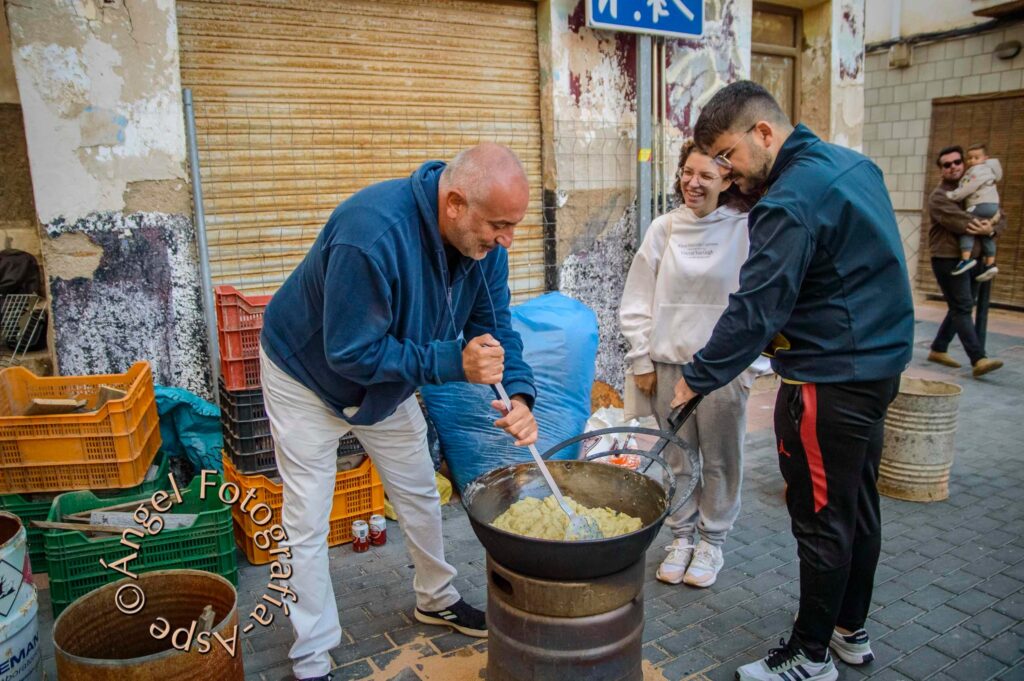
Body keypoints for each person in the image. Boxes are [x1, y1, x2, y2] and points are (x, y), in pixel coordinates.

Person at [259, 143, 539, 681]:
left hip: (386, 385)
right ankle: (311, 655)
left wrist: (521, 395)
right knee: (306, 517)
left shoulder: (484, 248)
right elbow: (349, 351)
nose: (507, 239)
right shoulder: (370, 235)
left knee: (417, 489)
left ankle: (436, 598)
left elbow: (496, 329)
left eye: (513, 225)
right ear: (454, 204)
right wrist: (451, 361)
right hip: (306, 378)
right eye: (499, 225)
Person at [670, 81, 914, 681]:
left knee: (821, 516)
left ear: (764, 132)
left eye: (727, 155)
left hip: (828, 379)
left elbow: (756, 309)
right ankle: (848, 630)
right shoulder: (852, 167)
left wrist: (695, 379)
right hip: (878, 367)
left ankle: (809, 655)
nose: (726, 171)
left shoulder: (790, 199)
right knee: (857, 504)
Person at [620, 140, 764, 589]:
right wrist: (641, 358)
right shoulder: (664, 228)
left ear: (728, 179)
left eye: (705, 175)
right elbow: (637, 297)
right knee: (677, 459)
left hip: (722, 371)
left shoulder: (746, 228)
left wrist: (748, 366)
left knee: (721, 461)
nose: (693, 183)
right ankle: (681, 537)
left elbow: (760, 301)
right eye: (687, 172)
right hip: (668, 366)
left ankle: (712, 541)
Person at [926, 145, 1004, 377]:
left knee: (962, 305)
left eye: (957, 162)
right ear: (941, 169)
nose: (953, 167)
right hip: (948, 258)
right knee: (962, 306)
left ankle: (939, 348)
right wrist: (989, 225)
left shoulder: (976, 189)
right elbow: (962, 222)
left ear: (965, 163)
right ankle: (978, 358)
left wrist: (993, 227)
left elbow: (1000, 216)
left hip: (974, 257)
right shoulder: (940, 196)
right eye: (947, 164)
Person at [945, 142, 1002, 280]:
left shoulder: (977, 171)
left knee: (968, 227)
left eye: (976, 158)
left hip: (980, 204)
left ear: (985, 158)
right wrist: (991, 229)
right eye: (969, 158)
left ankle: (965, 259)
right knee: (985, 234)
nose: (972, 161)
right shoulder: (990, 172)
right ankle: (990, 263)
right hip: (992, 206)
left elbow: (968, 188)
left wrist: (953, 195)